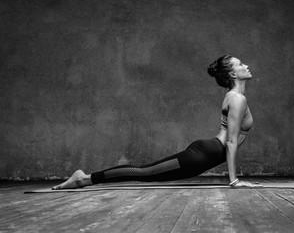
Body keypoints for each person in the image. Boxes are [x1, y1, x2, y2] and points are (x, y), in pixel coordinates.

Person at [52, 55, 261, 190]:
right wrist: (234, 181)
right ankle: (84, 178)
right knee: (144, 173)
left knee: (146, 173)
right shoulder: (237, 98)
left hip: (206, 154)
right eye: (241, 64)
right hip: (201, 156)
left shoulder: (235, 96)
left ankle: (85, 178)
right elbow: (231, 142)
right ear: (233, 74)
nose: (247, 65)